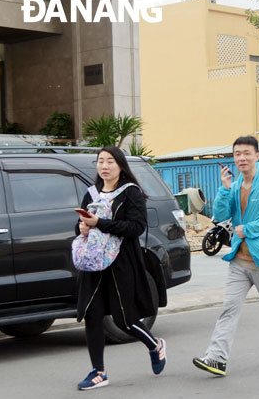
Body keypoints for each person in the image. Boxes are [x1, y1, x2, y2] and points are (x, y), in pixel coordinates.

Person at [193, 136, 259, 377]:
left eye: (247, 153)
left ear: (257, 156)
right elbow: (219, 214)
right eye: (237, 154)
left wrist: (247, 229)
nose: (242, 158)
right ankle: (217, 358)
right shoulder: (236, 183)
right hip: (239, 259)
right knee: (229, 308)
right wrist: (225, 187)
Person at [75, 146, 166, 390]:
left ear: (120, 166)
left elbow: (136, 227)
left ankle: (154, 345)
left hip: (121, 263)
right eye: (100, 161)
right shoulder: (91, 193)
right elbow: (82, 225)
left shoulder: (130, 193)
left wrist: (100, 223)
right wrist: (82, 228)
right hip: (94, 264)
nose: (104, 166)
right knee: (92, 315)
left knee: (124, 319)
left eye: (110, 162)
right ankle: (99, 372)